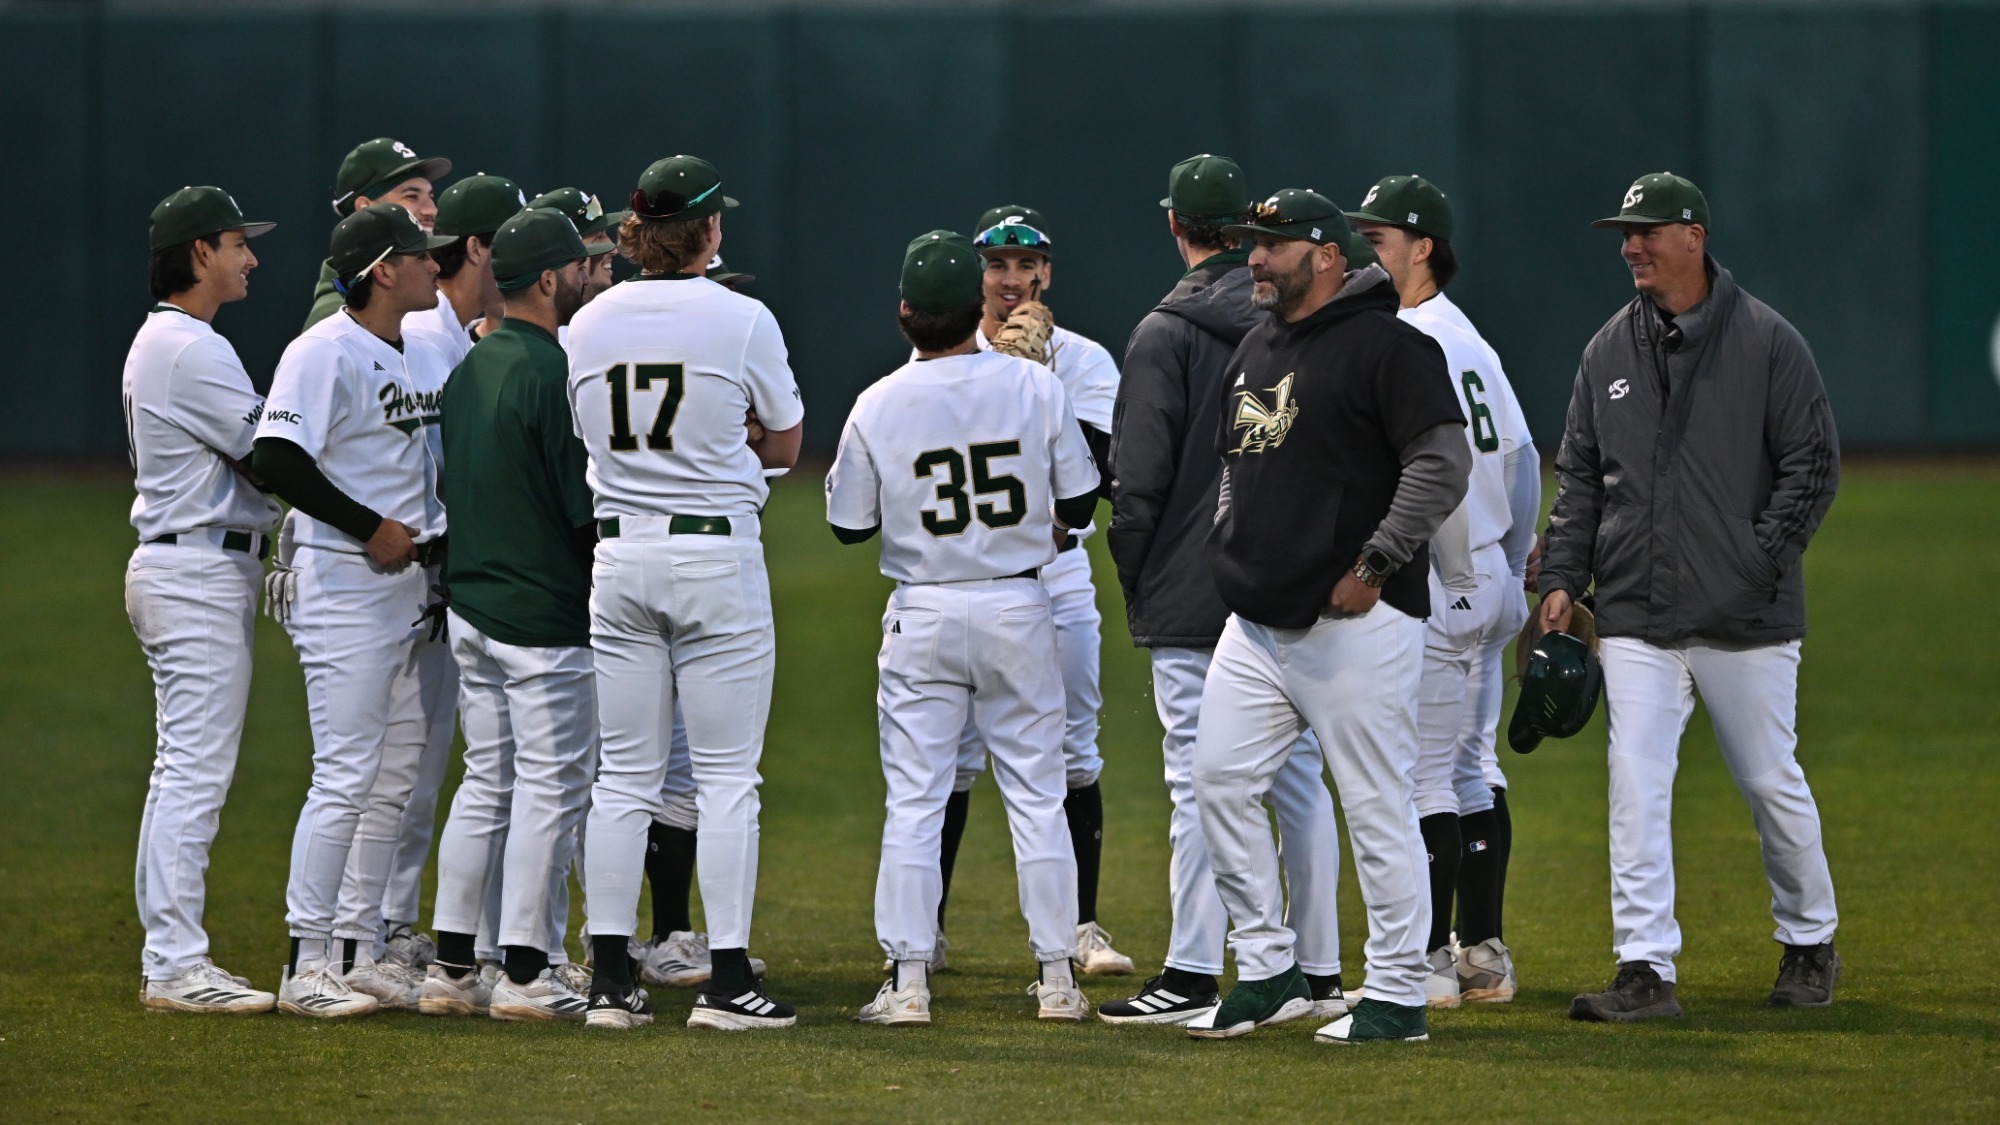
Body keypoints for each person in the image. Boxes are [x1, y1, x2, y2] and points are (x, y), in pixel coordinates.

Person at [1545, 173, 1841, 1021]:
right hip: (1637, 611)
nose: (1631, 245)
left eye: (1647, 230)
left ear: (1694, 237)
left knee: (1768, 780)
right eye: (1624, 233)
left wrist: (1752, 564)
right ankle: (1644, 968)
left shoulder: (1768, 342)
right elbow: (1581, 487)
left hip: (1745, 619)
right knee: (1635, 781)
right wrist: (1564, 578)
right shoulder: (1607, 350)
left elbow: (1812, 468)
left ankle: (1810, 940)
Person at [1186, 190, 1470, 1045]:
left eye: (1274, 246)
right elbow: (1231, 461)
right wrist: (1229, 541)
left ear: (1327, 256)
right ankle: (1270, 970)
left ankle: (1395, 995)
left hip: (1359, 621)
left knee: (1375, 802)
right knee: (1218, 783)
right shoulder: (1257, 343)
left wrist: (1378, 561)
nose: (1256, 260)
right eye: (1252, 245)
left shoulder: (1391, 346)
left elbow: (1443, 463)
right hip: (1259, 622)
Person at [1101, 155, 1347, 1025]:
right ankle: (1319, 973)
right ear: (1245, 235)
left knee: (1197, 781)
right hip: (1289, 580)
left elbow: (1137, 484)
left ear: (1176, 226)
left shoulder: (1162, 333)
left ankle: (1192, 971)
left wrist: (1139, 577)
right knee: (1300, 779)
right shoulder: (1300, 320)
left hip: (1193, 586)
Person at [828, 231, 1095, 1026]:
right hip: (1018, 605)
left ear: (906, 313)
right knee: (1039, 798)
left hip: (925, 610)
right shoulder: (1034, 387)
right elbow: (1080, 507)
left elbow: (847, 525)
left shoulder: (878, 400)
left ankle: (909, 980)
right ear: (975, 306)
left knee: (916, 800)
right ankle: (1057, 979)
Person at [567, 155, 803, 1031]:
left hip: (620, 555)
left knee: (623, 776)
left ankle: (609, 980)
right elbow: (782, 446)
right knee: (727, 778)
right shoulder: (742, 317)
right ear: (707, 231)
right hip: (711, 555)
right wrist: (729, 441)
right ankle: (729, 981)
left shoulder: (587, 324)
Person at [252, 203, 455, 1018]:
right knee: (344, 774)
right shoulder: (323, 350)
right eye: (417, 254)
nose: (432, 263)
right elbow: (275, 458)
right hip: (347, 584)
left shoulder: (404, 348)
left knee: (394, 775)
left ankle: (358, 948)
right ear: (381, 270)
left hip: (409, 586)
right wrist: (368, 525)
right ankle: (306, 964)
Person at [1348, 174, 1538, 1007]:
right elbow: (1526, 462)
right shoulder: (1474, 339)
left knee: (1418, 775)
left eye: (1382, 238)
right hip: (1492, 576)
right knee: (1470, 767)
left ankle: (1426, 963)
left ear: (1424, 246)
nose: (1369, 251)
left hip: (1445, 578)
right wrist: (1517, 562)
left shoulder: (1414, 338)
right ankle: (1485, 955)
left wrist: (1462, 574)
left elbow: (1438, 473)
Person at [931, 203, 1133, 977]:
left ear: (1047, 272)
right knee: (948, 760)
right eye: (996, 265)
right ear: (978, 275)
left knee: (1075, 752)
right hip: (964, 576)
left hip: (1056, 578)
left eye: (1025, 265)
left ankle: (1080, 927)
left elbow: (1102, 475)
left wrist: (1033, 381)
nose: (1011, 280)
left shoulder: (1082, 359)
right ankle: (928, 932)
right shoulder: (941, 352)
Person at [415, 209, 598, 1022]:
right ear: (553, 279)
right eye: (582, 266)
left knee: (486, 782)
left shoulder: (470, 366)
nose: (592, 276)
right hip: (541, 612)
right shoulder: (551, 372)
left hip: (474, 605)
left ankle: (451, 966)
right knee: (551, 789)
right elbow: (578, 506)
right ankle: (525, 972)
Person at [124, 187, 282, 1014]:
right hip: (195, 571)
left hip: (187, 564)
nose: (248, 257)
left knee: (179, 770)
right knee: (193, 772)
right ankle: (176, 962)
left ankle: (171, 954)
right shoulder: (189, 347)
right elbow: (270, 458)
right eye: (234, 243)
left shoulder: (173, 341)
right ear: (197, 255)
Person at [305, 137, 451, 330]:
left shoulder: (419, 293)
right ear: (365, 208)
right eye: (412, 196)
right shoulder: (337, 320)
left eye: (430, 196)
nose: (431, 210)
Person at [404, 173, 526, 369]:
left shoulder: (452, 329)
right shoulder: (427, 337)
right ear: (475, 249)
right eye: (516, 248)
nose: (526, 264)